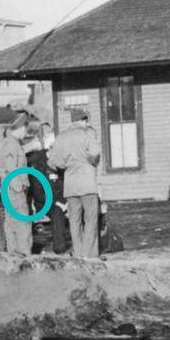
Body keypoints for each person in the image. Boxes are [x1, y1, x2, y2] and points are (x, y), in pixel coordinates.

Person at [48, 108, 102, 259]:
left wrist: (68, 164)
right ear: (84, 120)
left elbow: (54, 162)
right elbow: (95, 154)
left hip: (70, 186)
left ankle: (78, 254)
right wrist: (88, 161)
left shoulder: (61, 137)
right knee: (90, 220)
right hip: (87, 183)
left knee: (74, 222)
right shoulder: (87, 133)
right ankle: (89, 255)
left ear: (72, 120)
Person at [26, 122, 70, 255]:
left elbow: (64, 184)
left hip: (61, 199)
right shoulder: (39, 164)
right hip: (45, 202)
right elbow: (38, 192)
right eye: (53, 147)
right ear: (48, 149)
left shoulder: (61, 163)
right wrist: (57, 202)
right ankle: (60, 248)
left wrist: (65, 201)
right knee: (57, 212)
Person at [0, 114, 33, 255]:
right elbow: (11, 169)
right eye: (25, 128)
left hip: (8, 189)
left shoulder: (6, 143)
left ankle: (13, 257)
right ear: (19, 128)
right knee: (22, 224)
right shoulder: (12, 145)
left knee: (11, 224)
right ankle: (24, 257)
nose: (25, 132)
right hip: (14, 191)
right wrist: (20, 187)